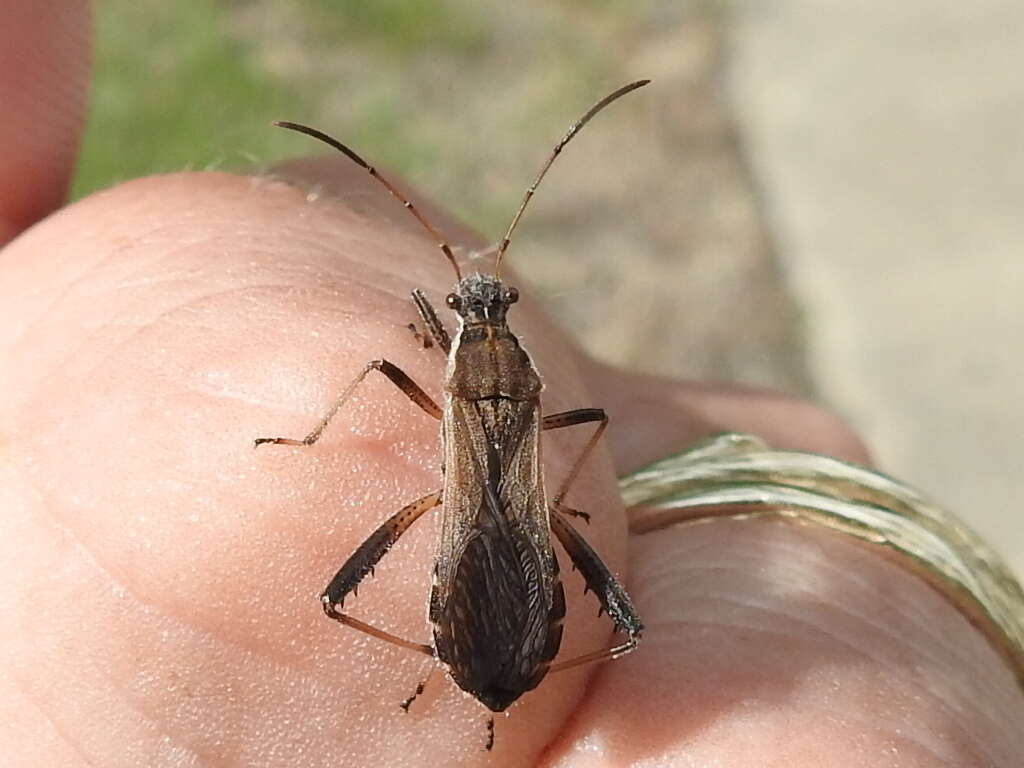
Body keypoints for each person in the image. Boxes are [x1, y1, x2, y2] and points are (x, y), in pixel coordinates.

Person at [2, 3, 1021, 765]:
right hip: (528, 551)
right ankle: (459, 667)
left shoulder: (444, 369)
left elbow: (391, 370)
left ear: (455, 351)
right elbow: (579, 424)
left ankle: (429, 666)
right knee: (618, 631)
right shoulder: (528, 397)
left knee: (343, 582)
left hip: (471, 542)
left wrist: (320, 444)